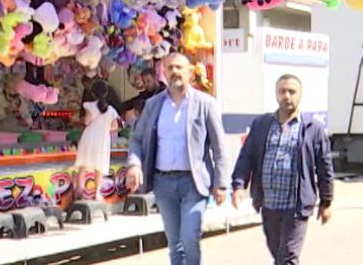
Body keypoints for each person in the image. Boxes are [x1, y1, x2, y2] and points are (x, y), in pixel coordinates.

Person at [126, 53, 228, 265]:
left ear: (190, 72)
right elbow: (136, 139)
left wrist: (221, 183)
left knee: (190, 237)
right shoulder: (153, 105)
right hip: (163, 183)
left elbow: (219, 146)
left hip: (193, 182)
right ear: (163, 71)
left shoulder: (205, 104)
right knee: (175, 244)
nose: (174, 72)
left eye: (179, 67)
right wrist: (134, 165)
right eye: (170, 68)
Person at [232, 74, 334, 265]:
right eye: (282, 91)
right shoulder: (262, 125)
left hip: (296, 207)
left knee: (287, 258)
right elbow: (246, 157)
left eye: (292, 91)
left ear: (300, 95)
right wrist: (238, 185)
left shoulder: (312, 129)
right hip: (269, 205)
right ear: (276, 95)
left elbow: (324, 166)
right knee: (278, 254)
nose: (287, 96)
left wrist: (326, 201)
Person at [74, 80, 120, 199]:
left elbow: (86, 121)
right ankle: (97, 193)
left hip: (89, 137)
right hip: (103, 139)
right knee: (99, 166)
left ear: (93, 93)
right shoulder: (111, 110)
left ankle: (79, 190)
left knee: (83, 164)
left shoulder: (89, 106)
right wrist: (105, 127)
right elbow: (115, 126)